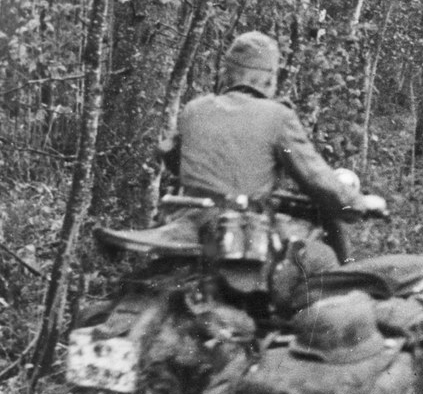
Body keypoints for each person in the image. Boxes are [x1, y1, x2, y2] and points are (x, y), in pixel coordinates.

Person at [157, 31, 385, 268]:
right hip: (239, 235)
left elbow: (171, 157)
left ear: (227, 74)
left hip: (187, 226)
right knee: (324, 262)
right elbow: (316, 178)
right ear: (268, 80)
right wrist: (360, 203)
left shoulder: (194, 109)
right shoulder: (277, 116)